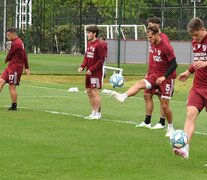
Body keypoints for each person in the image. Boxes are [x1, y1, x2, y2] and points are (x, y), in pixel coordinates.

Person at [111, 26, 177, 137]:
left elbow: (174, 64)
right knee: (140, 84)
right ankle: (123, 96)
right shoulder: (152, 45)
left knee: (165, 105)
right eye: (148, 38)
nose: (149, 40)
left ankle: (171, 127)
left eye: (151, 37)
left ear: (157, 35)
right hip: (154, 75)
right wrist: (150, 73)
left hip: (166, 79)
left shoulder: (166, 47)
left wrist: (164, 77)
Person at [173, 17, 207, 159]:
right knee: (190, 114)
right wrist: (188, 72)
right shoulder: (195, 42)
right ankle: (185, 148)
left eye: (196, 34)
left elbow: (203, 60)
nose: (194, 38)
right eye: (192, 36)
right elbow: (197, 60)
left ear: (203, 29)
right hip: (198, 86)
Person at [137, 17, 170, 130]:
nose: (149, 27)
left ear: (158, 26)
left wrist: (164, 75)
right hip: (151, 73)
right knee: (147, 95)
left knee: (162, 98)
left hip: (161, 75)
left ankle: (161, 122)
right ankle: (147, 121)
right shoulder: (151, 38)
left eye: (151, 25)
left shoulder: (163, 38)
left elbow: (168, 58)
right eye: (148, 25)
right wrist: (148, 72)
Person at [78, 25, 105, 120]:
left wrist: (92, 69)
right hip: (88, 72)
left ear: (94, 34)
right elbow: (86, 56)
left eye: (89, 33)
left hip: (95, 73)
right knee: (89, 91)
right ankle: (93, 111)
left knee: (95, 91)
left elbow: (101, 60)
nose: (87, 34)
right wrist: (82, 66)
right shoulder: (89, 44)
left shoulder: (99, 45)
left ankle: (98, 113)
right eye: (87, 32)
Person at [0, 27, 30, 110]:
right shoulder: (18, 42)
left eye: (8, 35)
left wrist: (6, 59)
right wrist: (27, 67)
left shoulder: (17, 43)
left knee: (11, 86)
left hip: (15, 68)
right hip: (10, 66)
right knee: (1, 81)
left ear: (13, 34)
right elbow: (24, 55)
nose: (7, 36)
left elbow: (11, 54)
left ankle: (14, 106)